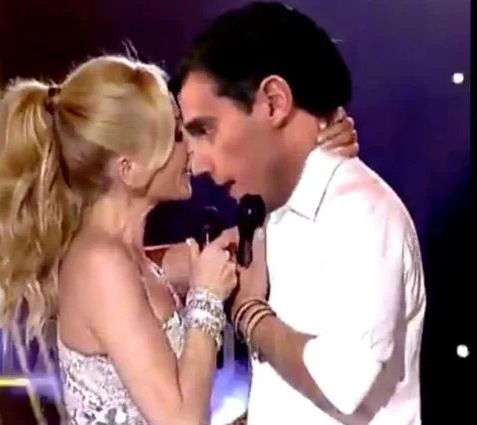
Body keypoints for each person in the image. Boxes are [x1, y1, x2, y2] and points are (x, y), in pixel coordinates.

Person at [0, 54, 358, 425]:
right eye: (175, 135)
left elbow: (247, 245)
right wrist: (206, 296)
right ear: (129, 168)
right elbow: (180, 420)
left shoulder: (137, 259)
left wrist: (310, 157)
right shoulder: (100, 264)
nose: (192, 149)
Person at [172, 2, 426, 425]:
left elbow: (342, 381)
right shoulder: (276, 214)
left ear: (274, 102)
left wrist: (250, 315)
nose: (197, 164)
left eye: (205, 130)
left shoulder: (359, 210)